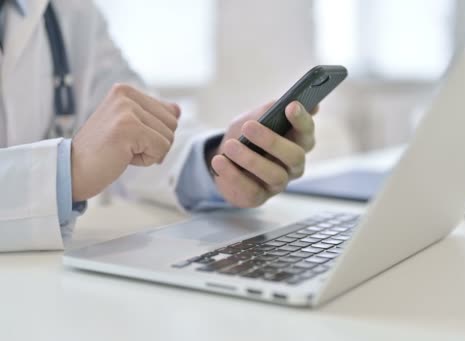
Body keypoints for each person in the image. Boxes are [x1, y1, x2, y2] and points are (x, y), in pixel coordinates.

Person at [0, 0, 318, 252]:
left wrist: (219, 162)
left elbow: (131, 129)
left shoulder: (67, 9)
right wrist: (68, 171)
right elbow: (88, 155)